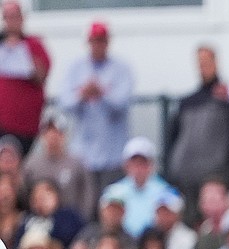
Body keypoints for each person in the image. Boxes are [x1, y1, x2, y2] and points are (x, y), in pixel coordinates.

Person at [166, 45, 229, 210]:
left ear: (215, 62)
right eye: (200, 62)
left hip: (215, 174)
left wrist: (224, 159)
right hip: (186, 175)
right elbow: (173, 137)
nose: (203, 67)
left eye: (206, 62)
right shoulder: (187, 103)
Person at [59, 22, 134, 192]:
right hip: (83, 155)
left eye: (101, 41)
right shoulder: (76, 68)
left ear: (107, 42)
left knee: (112, 204)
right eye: (94, 41)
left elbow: (122, 103)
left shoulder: (121, 68)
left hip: (113, 155)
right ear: (88, 42)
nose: (97, 45)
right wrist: (82, 95)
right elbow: (64, 103)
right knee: (86, 208)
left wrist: (102, 93)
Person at [23, 111, 96, 223]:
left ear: (64, 135)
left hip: (71, 222)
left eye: (57, 132)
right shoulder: (31, 163)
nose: (53, 136)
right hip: (39, 222)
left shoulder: (77, 163)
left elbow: (88, 193)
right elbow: (24, 193)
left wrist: (81, 220)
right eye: (49, 131)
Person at [0, 2, 49, 156]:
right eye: (8, 17)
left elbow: (41, 75)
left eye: (14, 17)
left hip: (25, 126)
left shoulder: (33, 45)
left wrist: (22, 53)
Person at [108, 137, 175, 239]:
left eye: (142, 163)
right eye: (134, 163)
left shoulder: (166, 191)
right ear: (126, 165)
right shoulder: (113, 192)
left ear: (151, 165)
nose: (138, 168)